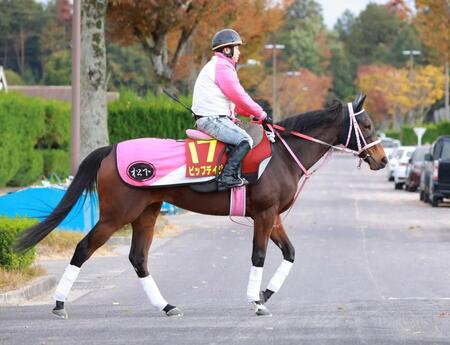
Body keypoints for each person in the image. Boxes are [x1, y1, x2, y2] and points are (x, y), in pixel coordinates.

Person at [192, 28, 272, 191]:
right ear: (227, 50)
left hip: (215, 118)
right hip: (212, 119)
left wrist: (252, 114)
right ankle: (227, 177)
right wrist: (261, 114)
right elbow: (239, 95)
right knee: (245, 140)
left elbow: (234, 104)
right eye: (237, 48)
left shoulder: (221, 66)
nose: (239, 52)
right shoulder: (222, 67)